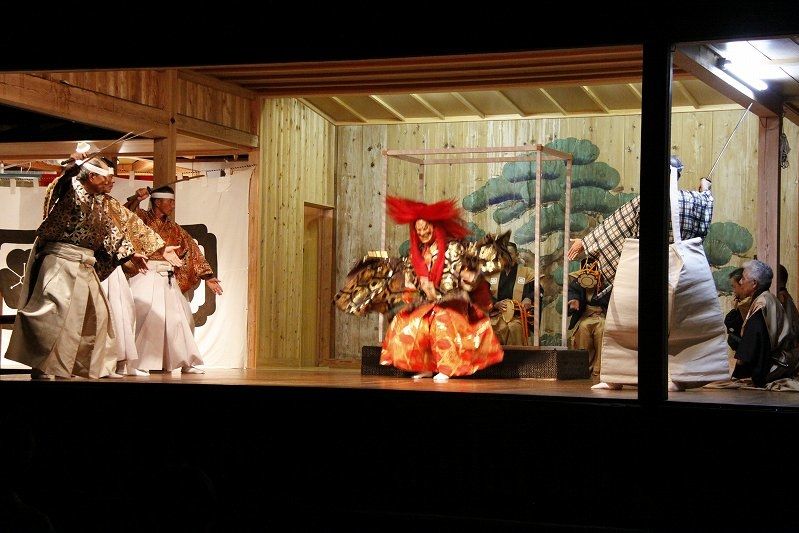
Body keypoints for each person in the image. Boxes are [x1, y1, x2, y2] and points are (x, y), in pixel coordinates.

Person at [566, 155, 729, 390]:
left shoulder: (646, 200)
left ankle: (632, 376)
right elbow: (706, 202)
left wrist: (587, 242)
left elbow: (613, 228)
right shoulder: (693, 200)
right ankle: (624, 377)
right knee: (668, 325)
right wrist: (705, 187)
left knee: (637, 326)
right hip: (681, 268)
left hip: (644, 267)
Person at [5, 157, 167, 379]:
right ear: (91, 176)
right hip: (61, 261)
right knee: (53, 316)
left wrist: (131, 253)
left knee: (97, 316)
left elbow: (111, 231)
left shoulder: (98, 202)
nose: (110, 182)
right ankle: (42, 367)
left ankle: (71, 368)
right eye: (106, 177)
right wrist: (73, 168)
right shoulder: (68, 190)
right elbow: (63, 183)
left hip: (84, 264)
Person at [336, 197, 505, 383]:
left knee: (441, 322)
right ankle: (424, 366)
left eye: (426, 228)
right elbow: (411, 281)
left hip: (452, 303)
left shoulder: (453, 248)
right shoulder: (417, 254)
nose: (423, 232)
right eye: (419, 230)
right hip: (427, 302)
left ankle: (447, 367)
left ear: (435, 226)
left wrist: (469, 280)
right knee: (407, 323)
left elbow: (464, 273)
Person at [124, 185, 223, 375]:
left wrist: (208, 276)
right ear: (158, 202)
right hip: (146, 273)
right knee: (148, 317)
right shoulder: (142, 219)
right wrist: (136, 198)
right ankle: (139, 363)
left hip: (167, 277)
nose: (172, 205)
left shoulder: (174, 228)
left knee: (182, 319)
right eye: (169, 201)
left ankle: (185, 361)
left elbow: (192, 249)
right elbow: (125, 217)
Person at [730, 260, 799, 387]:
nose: (740, 282)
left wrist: (738, 374)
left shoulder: (762, 303)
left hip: (776, 365)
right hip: (783, 361)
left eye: (743, 279)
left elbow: (754, 343)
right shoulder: (767, 298)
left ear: (754, 283)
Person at [487, 241, 541, 345]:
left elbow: (538, 289)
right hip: (496, 314)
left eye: (510, 254)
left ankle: (517, 361)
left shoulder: (527, 272)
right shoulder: (491, 273)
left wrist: (529, 298)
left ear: (516, 255)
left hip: (517, 316)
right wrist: (495, 304)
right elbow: (483, 295)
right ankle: (495, 360)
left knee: (514, 328)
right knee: (491, 327)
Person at [567, 259, 610, 378]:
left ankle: (599, 370)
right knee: (583, 328)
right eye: (587, 267)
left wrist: (600, 286)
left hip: (600, 315)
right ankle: (582, 368)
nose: (589, 269)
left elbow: (609, 300)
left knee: (602, 330)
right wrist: (574, 301)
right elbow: (572, 293)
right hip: (585, 316)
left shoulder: (605, 282)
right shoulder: (577, 281)